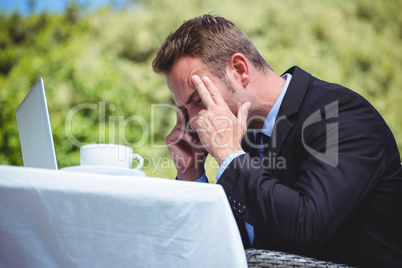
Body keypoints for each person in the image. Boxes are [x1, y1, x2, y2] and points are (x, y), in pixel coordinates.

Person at [152, 14, 402, 267]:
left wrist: (229, 154)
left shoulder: (343, 114)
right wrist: (191, 175)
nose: (193, 120)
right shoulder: (241, 136)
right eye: (184, 110)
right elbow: (214, 249)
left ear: (239, 70)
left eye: (197, 100)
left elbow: (306, 227)